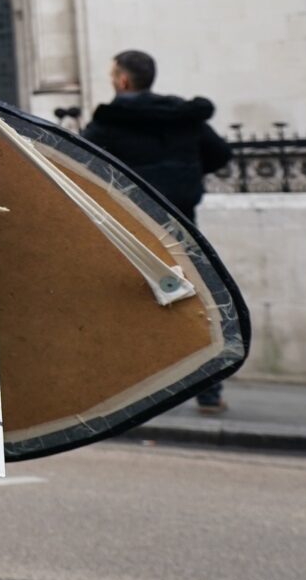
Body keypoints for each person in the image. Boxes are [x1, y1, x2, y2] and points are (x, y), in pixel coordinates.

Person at [83, 48, 234, 411]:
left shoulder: (110, 122)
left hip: (134, 228)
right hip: (183, 223)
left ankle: (127, 392)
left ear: (122, 80)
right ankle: (209, 391)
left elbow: (86, 164)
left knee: (127, 304)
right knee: (199, 305)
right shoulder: (184, 116)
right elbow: (220, 153)